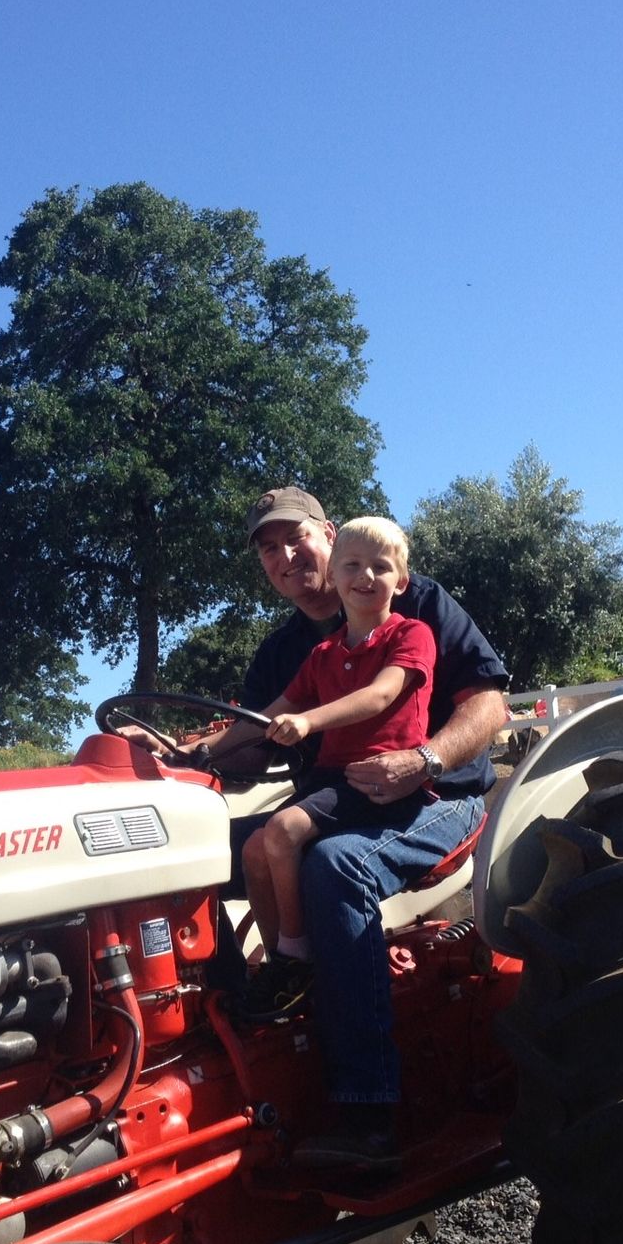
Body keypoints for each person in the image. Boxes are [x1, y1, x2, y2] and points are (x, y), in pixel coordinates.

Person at [238, 487, 509, 1169]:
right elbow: (252, 739)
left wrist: (425, 759)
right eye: (269, 549)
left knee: (335, 864)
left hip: (435, 798)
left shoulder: (415, 607)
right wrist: (184, 750)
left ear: (330, 537)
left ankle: (367, 1109)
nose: (285, 556)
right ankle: (257, 1032)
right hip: (341, 802)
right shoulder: (285, 653)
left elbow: (488, 705)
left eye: (296, 537)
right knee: (229, 852)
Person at [236, 517, 437, 1024]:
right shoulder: (322, 653)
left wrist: (307, 720)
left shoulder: (412, 633)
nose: (364, 576)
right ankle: (275, 965)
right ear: (336, 572)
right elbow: (266, 714)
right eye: (352, 565)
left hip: (380, 777)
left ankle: (296, 955)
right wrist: (188, 747)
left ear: (402, 582)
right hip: (334, 778)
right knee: (253, 849)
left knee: (281, 830)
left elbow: (381, 695)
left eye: (380, 567)